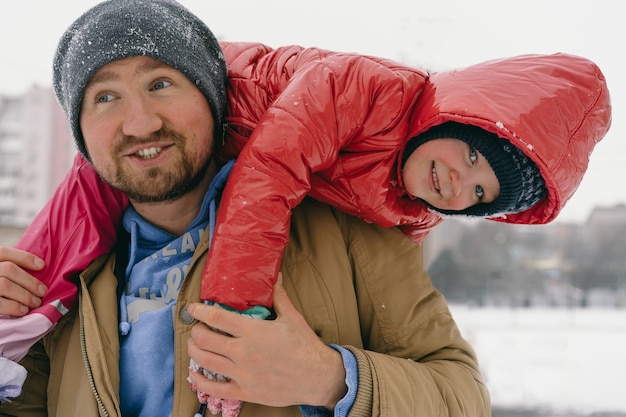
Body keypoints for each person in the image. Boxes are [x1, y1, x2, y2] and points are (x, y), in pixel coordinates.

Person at [0, 0, 611, 414]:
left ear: (213, 96)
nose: (140, 120)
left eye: (161, 84)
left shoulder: (355, 234)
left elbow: (461, 397)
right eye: (104, 97)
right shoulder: (61, 278)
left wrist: (331, 378)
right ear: (80, 133)